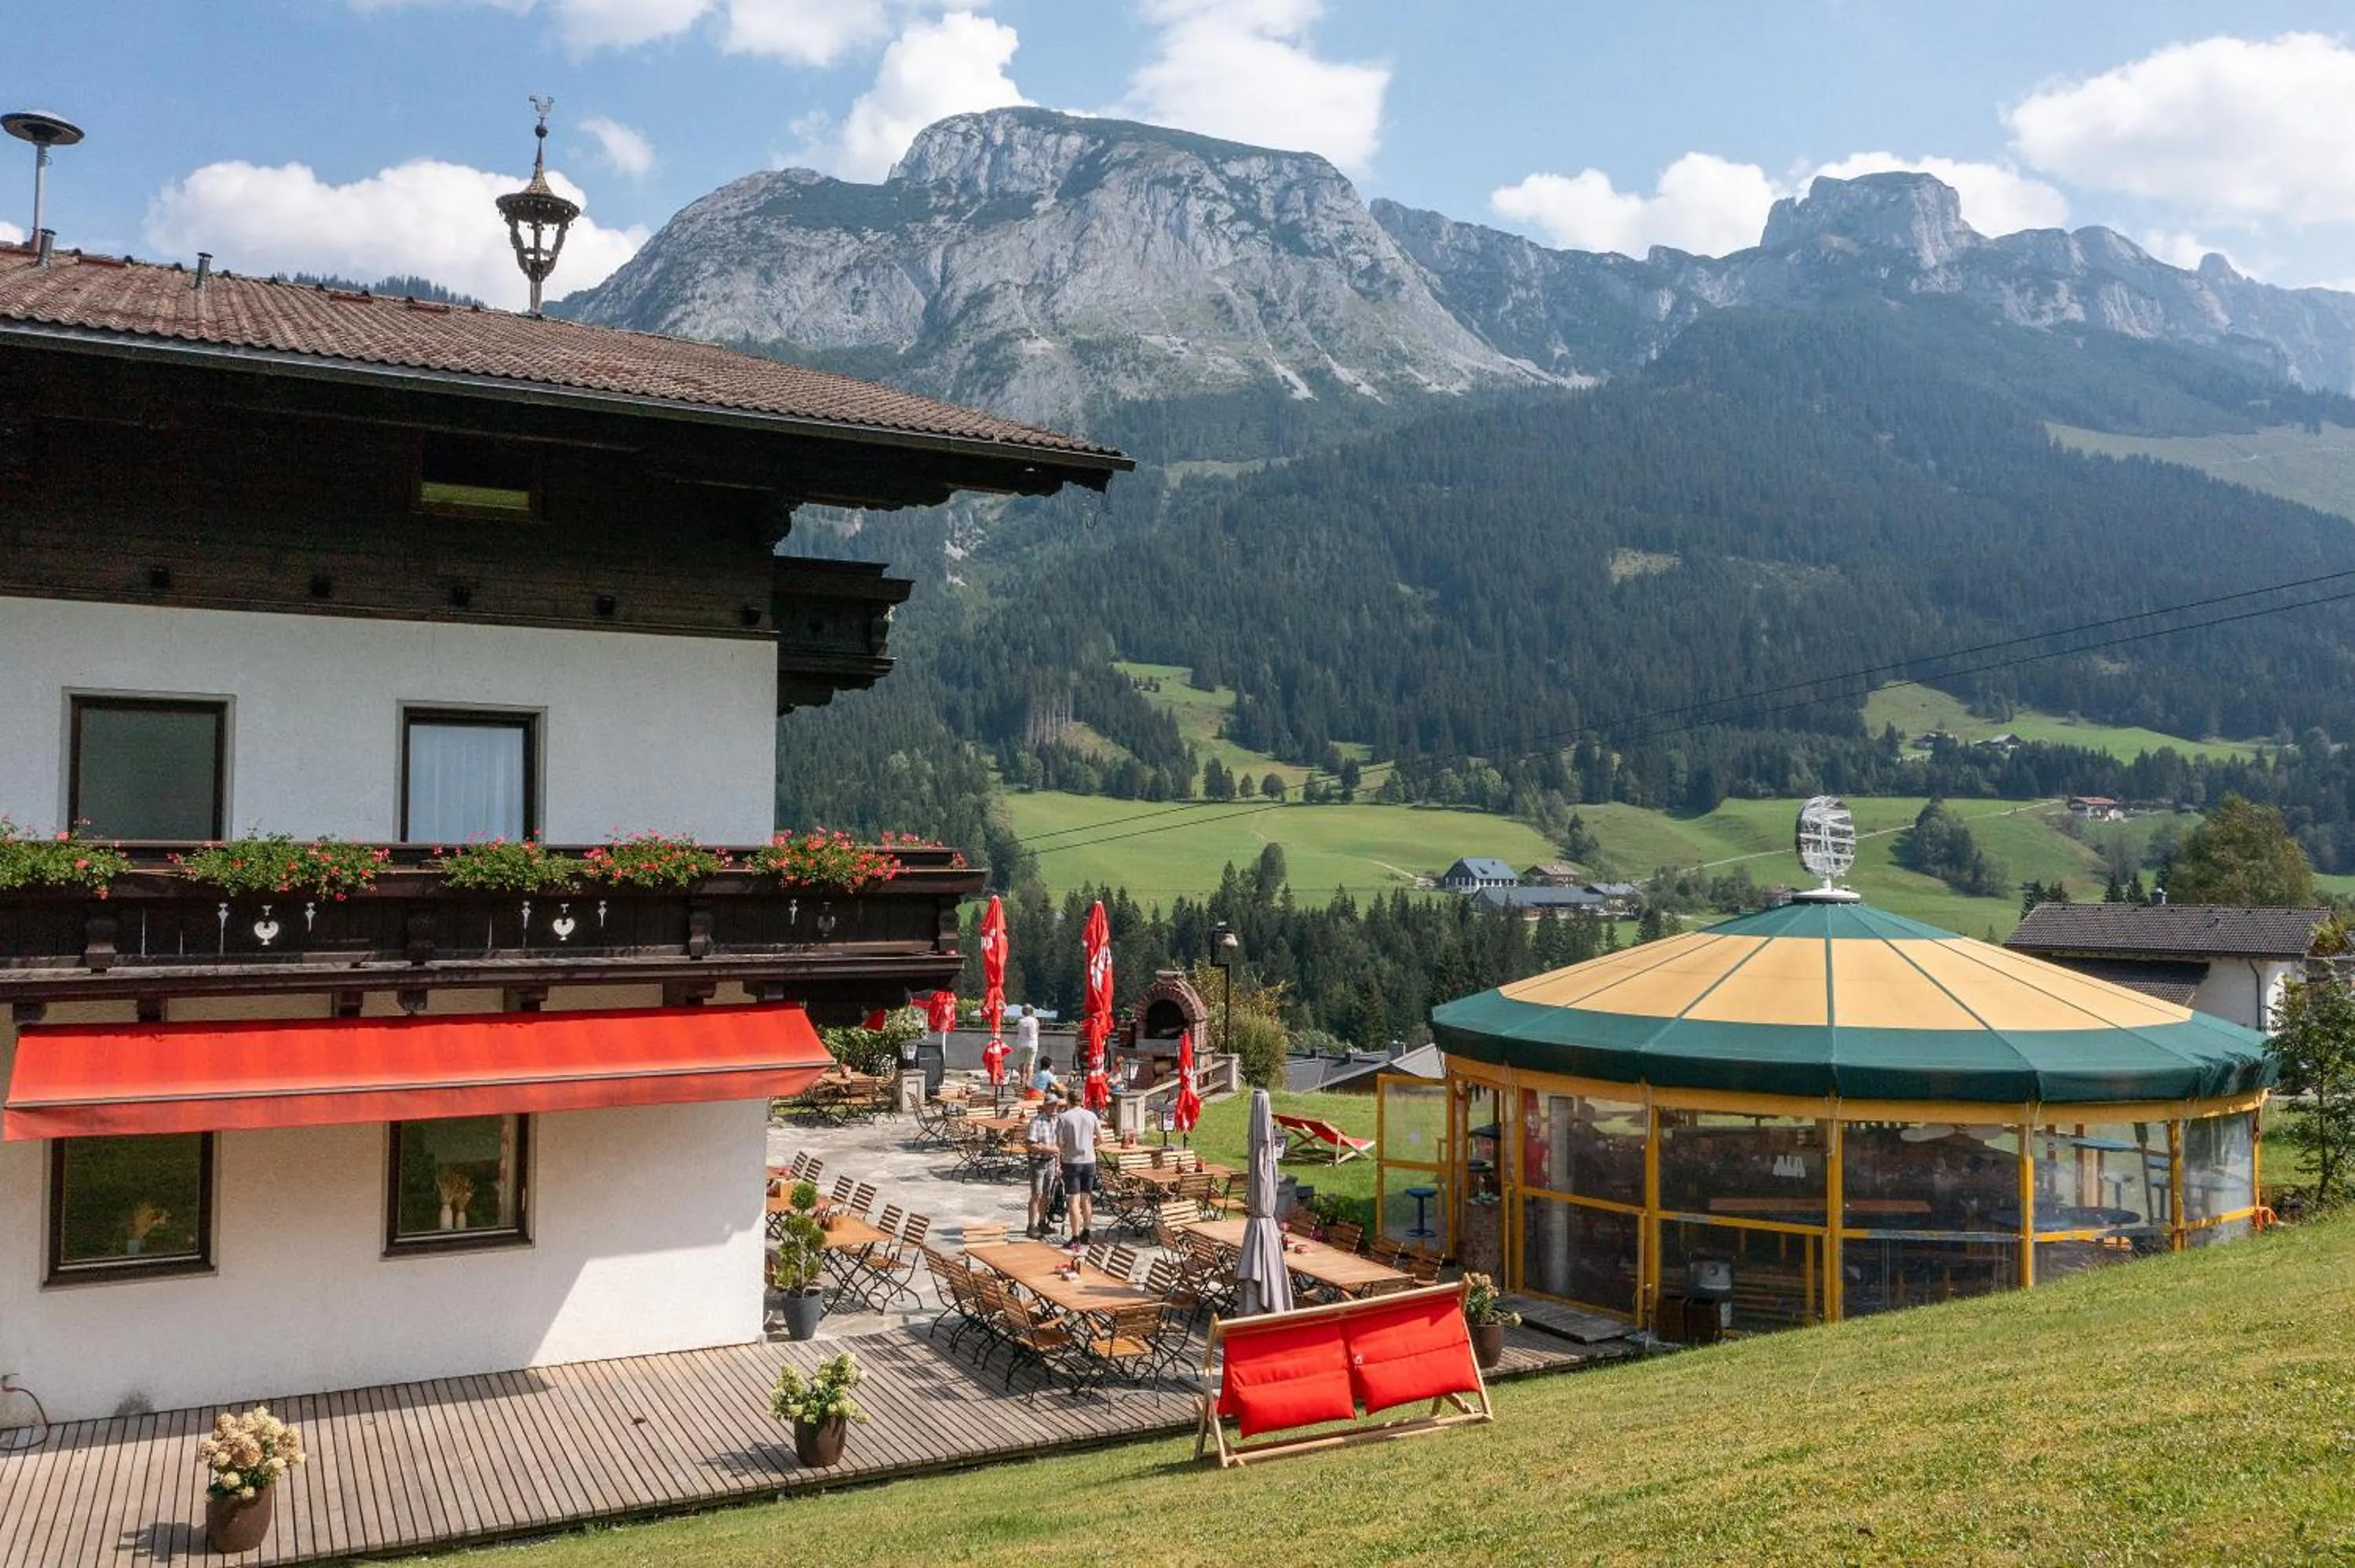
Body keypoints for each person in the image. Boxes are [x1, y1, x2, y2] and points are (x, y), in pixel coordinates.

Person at [1053, 1092, 1102, 1248]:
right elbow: (1101, 1139)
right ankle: (1086, 1232)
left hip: (1072, 1161)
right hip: (1089, 1160)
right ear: (1082, 1101)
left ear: (1068, 1101)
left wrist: (1067, 1147)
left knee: (1073, 1200)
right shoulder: (1091, 1116)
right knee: (1086, 1198)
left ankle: (1075, 1237)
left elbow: (1059, 1142)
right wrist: (1090, 1146)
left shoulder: (1063, 1117)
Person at [1024, 1092, 1063, 1239]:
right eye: (1051, 1105)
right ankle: (1031, 1225)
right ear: (1045, 1106)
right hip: (1037, 1162)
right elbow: (1030, 1145)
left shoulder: (1057, 1121)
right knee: (1037, 1194)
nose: (1054, 1108)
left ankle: (1042, 1222)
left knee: (1046, 1194)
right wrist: (1049, 1149)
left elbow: (1058, 1144)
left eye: (1056, 1105)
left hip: (1051, 1161)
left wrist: (1058, 1163)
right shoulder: (1037, 1121)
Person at [1014, 1005, 1041, 1085]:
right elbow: (1038, 1031)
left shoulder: (1020, 1021)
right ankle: (1029, 1081)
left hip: (1021, 1043)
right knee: (1030, 1064)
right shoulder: (1035, 1021)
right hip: (1033, 1043)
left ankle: (1022, 1078)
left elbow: (1018, 1030)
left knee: (1021, 1063)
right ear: (1032, 1011)